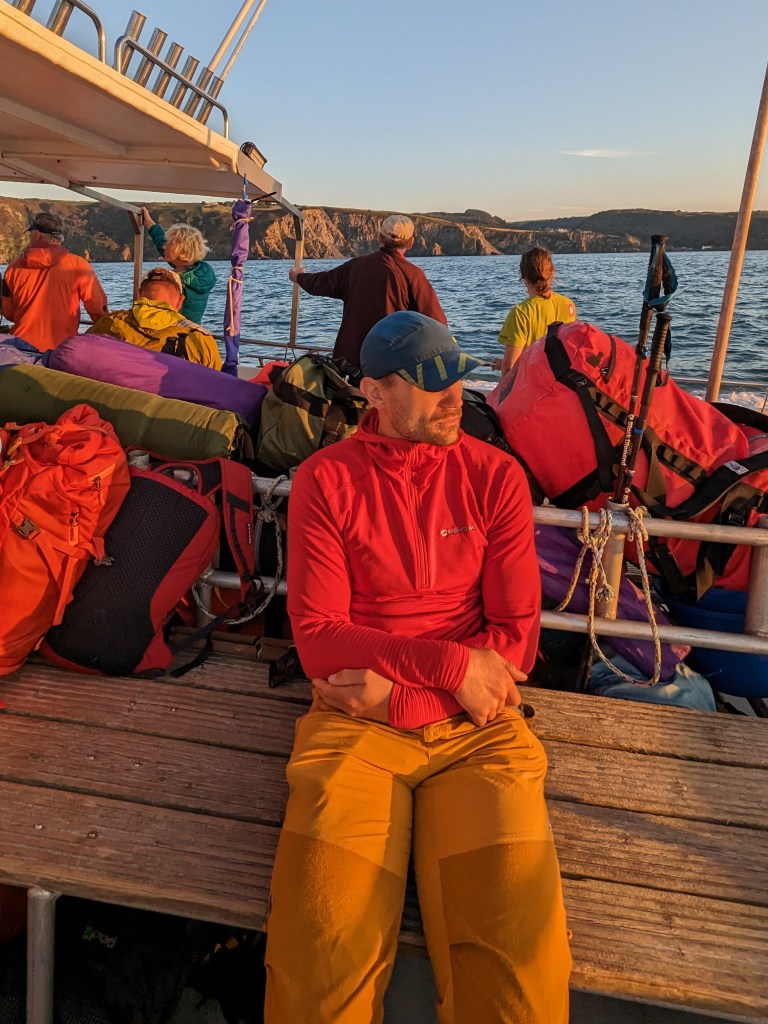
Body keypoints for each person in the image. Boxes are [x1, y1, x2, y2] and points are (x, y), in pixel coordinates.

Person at [264, 310, 572, 1024]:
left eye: (457, 376)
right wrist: (449, 667)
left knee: (517, 974)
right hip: (354, 724)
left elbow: (516, 641)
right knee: (320, 961)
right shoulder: (325, 479)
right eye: (429, 384)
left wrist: (405, 700)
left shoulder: (494, 476)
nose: (454, 395)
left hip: (471, 725)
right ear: (373, 391)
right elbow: (316, 637)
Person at [287, 214, 447, 367]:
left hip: (349, 364)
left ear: (379, 237)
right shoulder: (414, 275)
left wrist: (299, 276)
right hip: (391, 368)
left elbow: (320, 283)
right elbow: (437, 325)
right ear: (410, 242)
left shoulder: (355, 267)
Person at [1, 212, 108, 352]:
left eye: (30, 234)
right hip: (61, 351)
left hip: (21, 348)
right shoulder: (78, 265)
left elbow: (9, 313)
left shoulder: (13, 268)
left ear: (37, 235)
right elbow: (98, 309)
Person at [87, 267, 222, 369]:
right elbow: (215, 386)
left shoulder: (109, 323)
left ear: (139, 295)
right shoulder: (201, 340)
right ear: (180, 301)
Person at [497, 247, 576, 374]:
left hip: (532, 386)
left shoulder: (520, 312)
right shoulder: (568, 305)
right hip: (559, 385)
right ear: (552, 272)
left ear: (523, 275)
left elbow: (508, 368)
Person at [139, 208, 216, 323]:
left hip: (175, 335)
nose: (164, 247)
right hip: (192, 332)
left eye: (169, 244)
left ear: (182, 251)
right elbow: (161, 243)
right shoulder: (201, 270)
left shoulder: (176, 281)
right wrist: (149, 223)